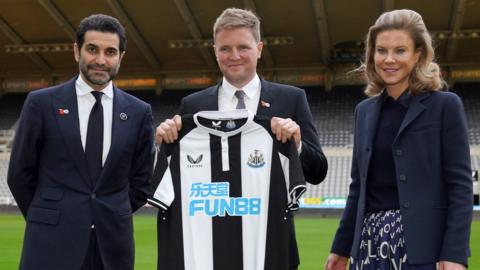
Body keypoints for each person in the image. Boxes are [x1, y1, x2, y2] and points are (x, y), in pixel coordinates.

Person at [155, 8, 328, 269]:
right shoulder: (192, 105)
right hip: (208, 250)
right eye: (225, 49)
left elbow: (318, 171)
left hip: (270, 249)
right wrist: (161, 142)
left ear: (259, 48)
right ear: (215, 52)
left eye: (243, 47)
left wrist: (297, 143)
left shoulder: (291, 98)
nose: (234, 56)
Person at [324, 9, 473, 270]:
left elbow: (460, 186)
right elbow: (358, 188)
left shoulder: (445, 106)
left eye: (400, 50)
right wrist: (341, 247)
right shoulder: (364, 112)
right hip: (369, 246)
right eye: (381, 50)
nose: (389, 59)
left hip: (423, 247)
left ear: (418, 54)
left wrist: (454, 253)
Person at [7, 14, 154, 270]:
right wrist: (49, 216)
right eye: (92, 49)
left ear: (121, 56)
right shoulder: (41, 103)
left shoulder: (139, 111)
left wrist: (108, 211)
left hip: (112, 247)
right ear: (77, 51)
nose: (100, 60)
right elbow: (20, 174)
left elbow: (141, 183)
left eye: (110, 52)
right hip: (50, 242)